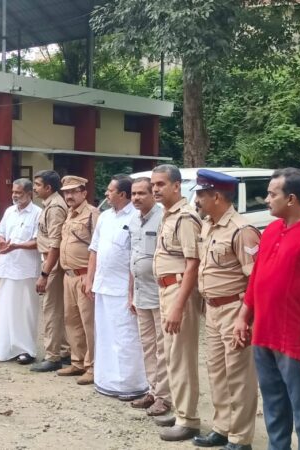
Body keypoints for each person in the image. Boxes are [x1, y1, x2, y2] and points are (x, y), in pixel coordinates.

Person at [234, 168, 300, 450]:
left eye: (272, 194)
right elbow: (257, 279)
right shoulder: (270, 231)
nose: (266, 199)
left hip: (295, 341)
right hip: (264, 336)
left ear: (291, 198)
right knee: (274, 409)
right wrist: (244, 317)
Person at [192, 170, 260, 450]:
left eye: (200, 194)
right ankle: (222, 427)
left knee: (239, 375)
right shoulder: (209, 225)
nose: (196, 200)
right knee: (217, 371)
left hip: (235, 308)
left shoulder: (241, 230)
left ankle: (240, 438)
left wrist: (245, 317)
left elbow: (255, 279)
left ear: (216, 196)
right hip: (213, 309)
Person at [151, 164, 202, 441]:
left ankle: (189, 420)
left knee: (181, 357)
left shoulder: (185, 217)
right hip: (166, 289)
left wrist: (179, 305)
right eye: (154, 184)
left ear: (176, 186)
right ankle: (182, 411)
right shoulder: (168, 215)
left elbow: (193, 263)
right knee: (172, 355)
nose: (156, 189)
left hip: (178, 290)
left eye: (161, 184)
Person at [86, 174, 148, 399]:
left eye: (110, 191)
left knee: (126, 337)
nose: (106, 194)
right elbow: (95, 250)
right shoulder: (103, 217)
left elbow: (136, 257)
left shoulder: (136, 217)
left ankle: (130, 384)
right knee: (104, 335)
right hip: (103, 286)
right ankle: (106, 380)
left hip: (123, 288)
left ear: (122, 194)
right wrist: (89, 278)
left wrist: (133, 291)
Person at [128, 177, 172, 416]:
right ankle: (152, 390)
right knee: (147, 345)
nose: (136, 198)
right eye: (134, 193)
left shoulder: (163, 218)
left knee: (162, 347)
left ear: (152, 195)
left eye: (142, 193)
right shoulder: (133, 221)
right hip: (141, 293)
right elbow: (133, 259)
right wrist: (131, 293)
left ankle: (164, 397)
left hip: (160, 293)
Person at [0, 179, 42, 363]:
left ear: (30, 194)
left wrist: (16, 246)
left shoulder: (38, 214)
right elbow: (1, 232)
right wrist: (1, 241)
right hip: (8, 267)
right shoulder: (9, 212)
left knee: (25, 310)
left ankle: (26, 350)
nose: (14, 195)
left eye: (19, 193)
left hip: (26, 269)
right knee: (6, 308)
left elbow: (39, 242)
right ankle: (5, 348)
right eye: (13, 192)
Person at [57, 175, 99, 385]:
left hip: (84, 275)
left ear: (84, 192)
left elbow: (98, 247)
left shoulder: (92, 214)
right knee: (71, 320)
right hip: (69, 275)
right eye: (66, 192)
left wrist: (91, 277)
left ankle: (93, 366)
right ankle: (78, 361)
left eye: (74, 191)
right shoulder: (69, 214)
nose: (69, 196)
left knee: (88, 323)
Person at [31, 170, 72, 372]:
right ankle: (64, 350)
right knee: (58, 309)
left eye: (38, 184)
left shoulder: (55, 207)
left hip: (52, 263)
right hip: (50, 261)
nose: (34, 188)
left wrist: (45, 274)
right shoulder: (49, 205)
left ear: (48, 188)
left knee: (52, 310)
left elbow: (55, 244)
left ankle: (53, 355)